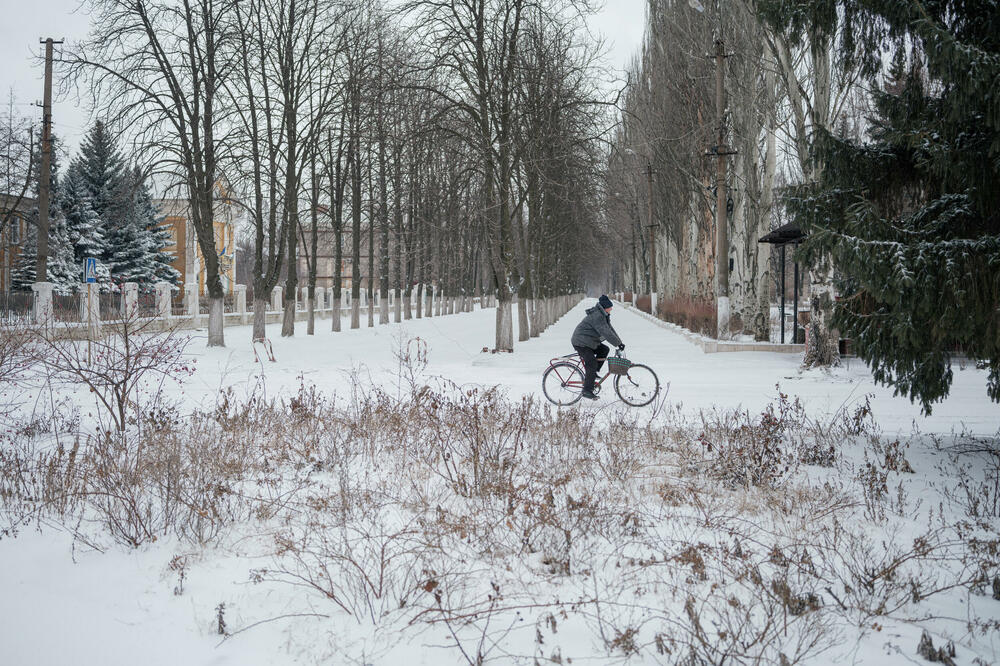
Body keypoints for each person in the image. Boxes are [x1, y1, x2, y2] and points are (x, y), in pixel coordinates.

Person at [571, 294, 624, 400]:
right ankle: (587, 390)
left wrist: (619, 342)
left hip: (588, 341)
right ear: (605, 307)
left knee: (604, 349)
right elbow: (606, 333)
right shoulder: (598, 316)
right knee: (591, 363)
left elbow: (609, 330)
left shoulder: (602, 315)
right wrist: (618, 344)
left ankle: (593, 373)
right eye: (610, 307)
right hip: (581, 342)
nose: (611, 309)